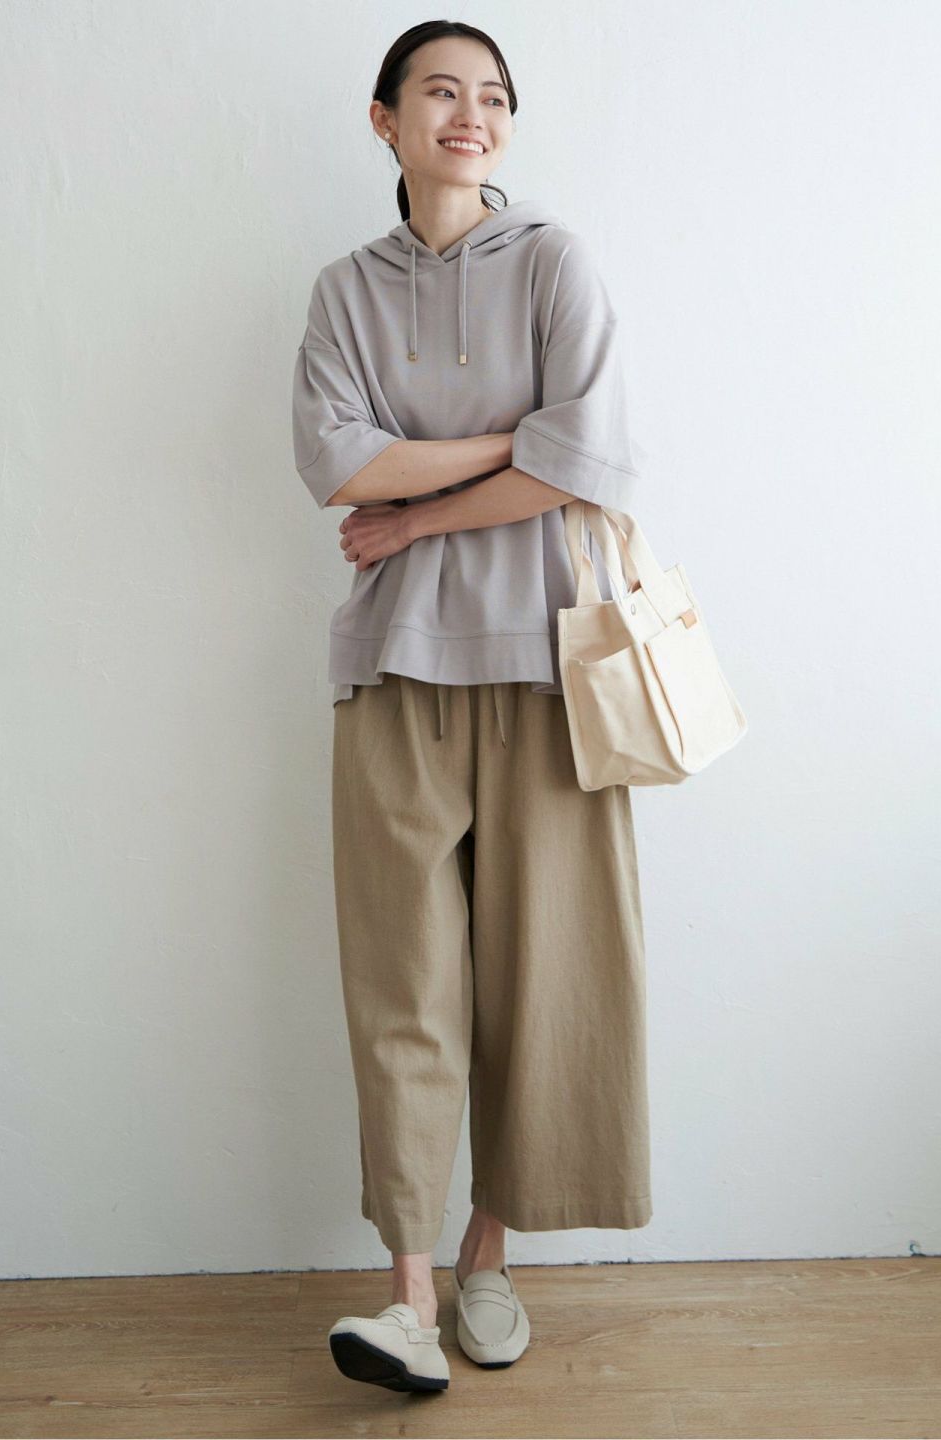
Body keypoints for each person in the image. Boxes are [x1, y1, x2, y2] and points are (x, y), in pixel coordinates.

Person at [292, 20, 653, 1393]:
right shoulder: (344, 292)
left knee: (541, 978)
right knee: (403, 986)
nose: (471, 113)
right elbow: (339, 465)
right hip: (392, 670)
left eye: (492, 95)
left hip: (550, 671)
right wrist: (519, 443)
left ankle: (487, 1260)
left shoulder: (554, 262)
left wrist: (419, 506)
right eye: (440, 90)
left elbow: (590, 466)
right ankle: (404, 1296)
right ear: (384, 119)